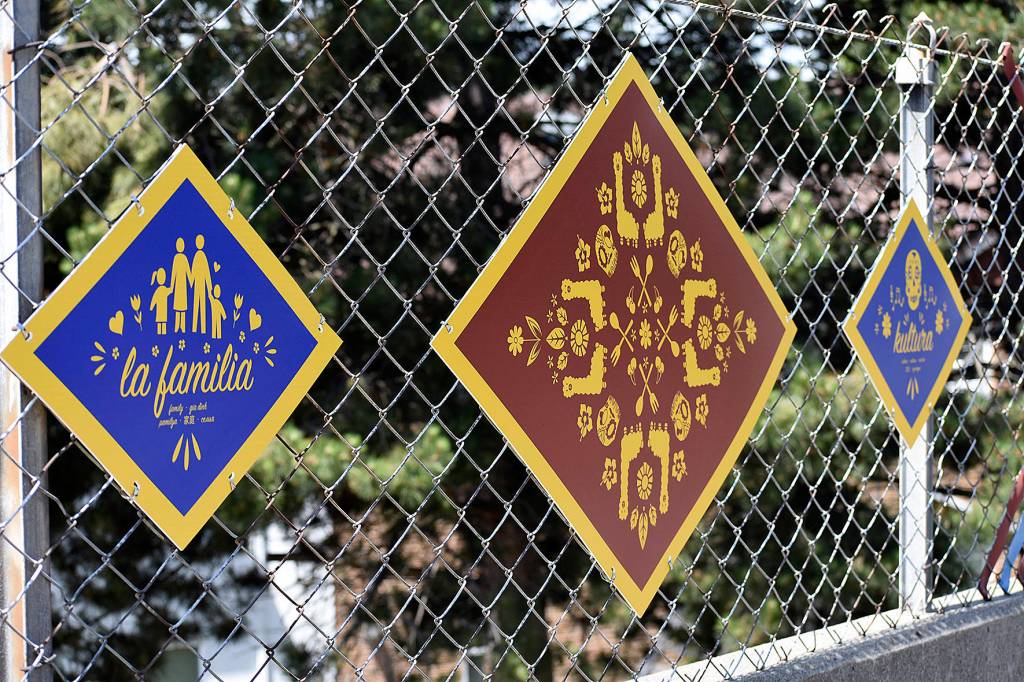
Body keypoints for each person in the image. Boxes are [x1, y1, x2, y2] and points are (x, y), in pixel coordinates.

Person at [190, 234, 213, 334]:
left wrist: (209, 287)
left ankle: (201, 328)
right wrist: (191, 282)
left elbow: (207, 273)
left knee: (201, 306)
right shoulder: (197, 256)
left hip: (201, 286)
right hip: (198, 286)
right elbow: (193, 271)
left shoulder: (202, 256)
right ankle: (195, 327)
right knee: (198, 306)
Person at [170, 237, 192, 333]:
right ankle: (177, 326)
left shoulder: (184, 258)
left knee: (183, 308)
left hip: (183, 286)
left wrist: (191, 281)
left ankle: (182, 326)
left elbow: (188, 270)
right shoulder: (176, 258)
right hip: (178, 286)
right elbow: (173, 273)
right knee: (177, 307)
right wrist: (171, 286)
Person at [149, 268, 173, 335]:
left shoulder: (161, 290)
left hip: (162, 312)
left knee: (162, 323)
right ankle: (161, 334)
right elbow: (154, 299)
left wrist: (151, 307)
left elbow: (170, 290)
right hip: (161, 312)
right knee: (161, 324)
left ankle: (162, 334)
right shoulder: (162, 290)